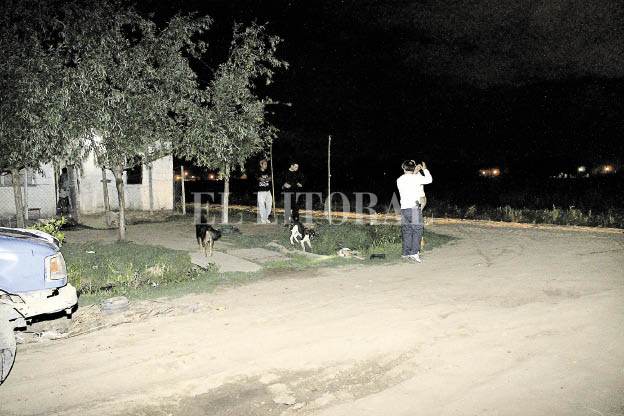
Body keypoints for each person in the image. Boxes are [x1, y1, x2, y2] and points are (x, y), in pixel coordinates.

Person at [396, 160, 432, 263]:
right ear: (414, 168)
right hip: (414, 209)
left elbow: (410, 178)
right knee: (417, 230)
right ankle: (414, 253)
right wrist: (424, 169)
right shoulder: (416, 178)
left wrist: (415, 171)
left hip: (404, 209)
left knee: (407, 231)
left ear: (403, 168)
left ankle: (405, 253)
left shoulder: (399, 179)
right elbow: (429, 180)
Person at [256, 159, 273, 224]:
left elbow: (270, 178)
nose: (266, 165)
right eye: (265, 164)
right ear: (261, 164)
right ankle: (263, 219)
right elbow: (261, 179)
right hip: (261, 191)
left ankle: (266, 217)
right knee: (262, 205)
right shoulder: (258, 172)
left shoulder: (268, 171)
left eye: (266, 164)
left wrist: (265, 179)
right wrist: (266, 179)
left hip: (268, 191)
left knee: (269, 204)